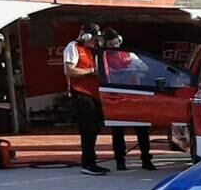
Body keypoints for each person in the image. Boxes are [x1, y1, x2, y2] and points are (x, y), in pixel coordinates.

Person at [102, 28, 155, 171]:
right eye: (111, 45)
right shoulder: (102, 57)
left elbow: (145, 68)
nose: (114, 47)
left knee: (142, 130)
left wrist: (133, 70)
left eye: (115, 44)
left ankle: (146, 159)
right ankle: (120, 161)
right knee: (118, 131)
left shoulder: (130, 55)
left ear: (119, 41)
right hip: (116, 96)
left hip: (135, 95)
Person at [63, 22, 107, 175]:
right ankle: (87, 163)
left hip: (93, 93)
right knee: (87, 130)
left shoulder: (90, 50)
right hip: (81, 93)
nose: (94, 41)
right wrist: (91, 72)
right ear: (86, 36)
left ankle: (91, 161)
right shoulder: (73, 47)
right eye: (93, 38)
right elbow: (69, 70)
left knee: (94, 129)